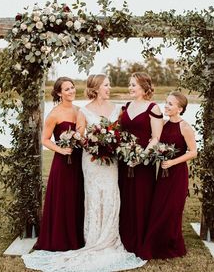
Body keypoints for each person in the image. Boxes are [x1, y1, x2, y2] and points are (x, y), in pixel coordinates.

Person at [22, 74, 146, 272]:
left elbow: (121, 132)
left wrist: (113, 143)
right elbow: (80, 137)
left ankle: (110, 237)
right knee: (94, 198)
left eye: (73, 88)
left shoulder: (112, 109)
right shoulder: (82, 111)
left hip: (111, 161)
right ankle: (94, 238)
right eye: (107, 84)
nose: (110, 87)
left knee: (112, 195)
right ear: (96, 88)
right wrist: (96, 143)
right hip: (91, 161)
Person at [28, 77, 85, 252]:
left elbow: (82, 136)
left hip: (79, 161)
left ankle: (78, 237)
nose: (72, 91)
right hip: (63, 162)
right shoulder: (54, 114)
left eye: (72, 87)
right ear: (59, 93)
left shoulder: (80, 110)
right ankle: (61, 238)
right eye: (67, 89)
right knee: (64, 198)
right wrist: (60, 150)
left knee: (78, 197)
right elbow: (44, 139)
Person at [140, 91, 197, 259]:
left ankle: (171, 245)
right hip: (163, 174)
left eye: (170, 104)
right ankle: (156, 243)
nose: (166, 106)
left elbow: (193, 152)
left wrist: (172, 162)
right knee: (159, 207)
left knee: (172, 210)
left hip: (177, 173)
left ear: (179, 109)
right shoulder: (163, 124)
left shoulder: (185, 127)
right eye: (166, 102)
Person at [118, 72, 163, 258]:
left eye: (133, 85)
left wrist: (141, 156)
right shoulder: (126, 106)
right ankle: (124, 238)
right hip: (125, 161)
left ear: (144, 87)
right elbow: (120, 131)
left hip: (143, 163)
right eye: (129, 84)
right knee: (125, 197)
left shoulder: (154, 108)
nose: (130, 88)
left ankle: (140, 239)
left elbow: (156, 137)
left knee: (141, 198)